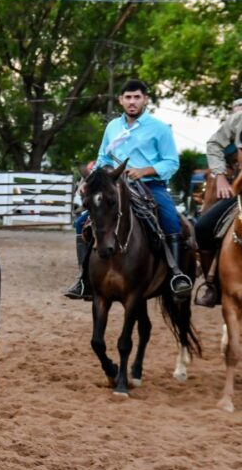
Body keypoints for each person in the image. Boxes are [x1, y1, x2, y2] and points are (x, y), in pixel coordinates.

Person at [63, 79, 192, 301]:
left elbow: (172, 162)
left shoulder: (160, 128)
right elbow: (103, 157)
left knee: (171, 220)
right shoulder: (113, 127)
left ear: (145, 100)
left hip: (150, 186)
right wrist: (92, 179)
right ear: (120, 100)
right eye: (128, 97)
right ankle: (84, 279)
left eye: (137, 97)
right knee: (81, 222)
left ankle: (176, 276)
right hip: (115, 186)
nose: (132, 102)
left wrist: (145, 170)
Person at [192, 100, 242, 307]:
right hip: (240, 188)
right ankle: (213, 285)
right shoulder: (238, 119)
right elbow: (213, 144)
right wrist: (220, 175)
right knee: (203, 227)